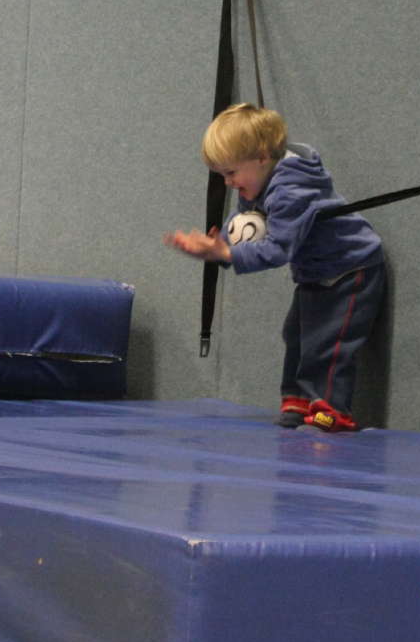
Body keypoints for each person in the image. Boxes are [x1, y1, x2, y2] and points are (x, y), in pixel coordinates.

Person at [164, 103, 385, 432]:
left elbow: (278, 249)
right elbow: (246, 221)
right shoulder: (259, 179)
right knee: (295, 335)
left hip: (350, 269)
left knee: (328, 343)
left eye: (231, 173)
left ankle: (330, 411)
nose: (228, 182)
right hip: (316, 273)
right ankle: (297, 400)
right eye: (222, 175)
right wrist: (217, 246)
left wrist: (227, 253)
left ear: (262, 157)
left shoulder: (290, 190)